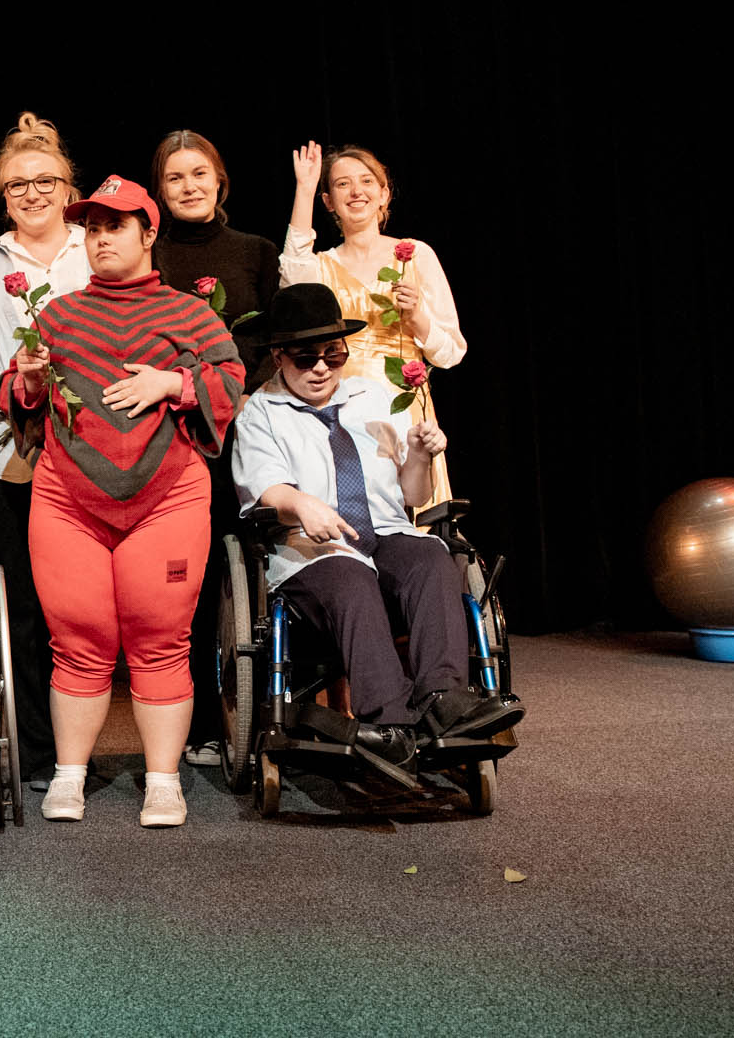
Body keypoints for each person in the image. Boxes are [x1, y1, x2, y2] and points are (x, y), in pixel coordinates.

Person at [0, 176, 245, 828]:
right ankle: (69, 775)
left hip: (167, 498)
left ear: (148, 232)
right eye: (93, 227)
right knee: (78, 638)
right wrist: (27, 384)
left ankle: (163, 782)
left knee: (160, 637)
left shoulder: (190, 315)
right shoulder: (56, 316)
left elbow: (231, 381)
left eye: (116, 225)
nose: (102, 237)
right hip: (69, 501)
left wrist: (175, 382)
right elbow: (16, 396)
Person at [230, 283, 520, 763]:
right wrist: (302, 504)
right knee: (350, 575)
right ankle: (388, 721)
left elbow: (414, 496)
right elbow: (267, 490)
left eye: (333, 354)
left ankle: (443, 699)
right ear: (279, 356)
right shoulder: (260, 413)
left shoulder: (374, 395)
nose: (322, 368)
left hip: (384, 532)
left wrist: (421, 456)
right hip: (313, 550)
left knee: (431, 556)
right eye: (305, 358)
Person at [0, 112, 90, 789]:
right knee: (27, 612)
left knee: (88, 607)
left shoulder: (98, 252)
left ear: (70, 188)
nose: (32, 193)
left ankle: (100, 745)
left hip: (98, 451)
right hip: (11, 455)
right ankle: (39, 751)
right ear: (3, 196)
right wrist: (12, 386)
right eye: (17, 185)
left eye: (46, 181)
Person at [149, 129, 281, 770]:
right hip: (176, 433)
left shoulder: (256, 251)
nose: (189, 186)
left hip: (248, 425)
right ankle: (202, 724)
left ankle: (271, 715)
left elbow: (275, 339)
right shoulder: (150, 255)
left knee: (257, 569)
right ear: (160, 189)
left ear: (219, 179)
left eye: (199, 173)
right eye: (175, 177)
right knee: (191, 581)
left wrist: (243, 396)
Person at [280, 142, 465, 506]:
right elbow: (292, 283)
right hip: (340, 403)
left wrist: (418, 317)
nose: (356, 191)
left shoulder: (415, 255)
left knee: (411, 510)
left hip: (402, 405)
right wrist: (304, 189)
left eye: (366, 181)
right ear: (328, 201)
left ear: (384, 194)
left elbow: (450, 353)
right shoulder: (323, 266)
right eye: (342, 184)